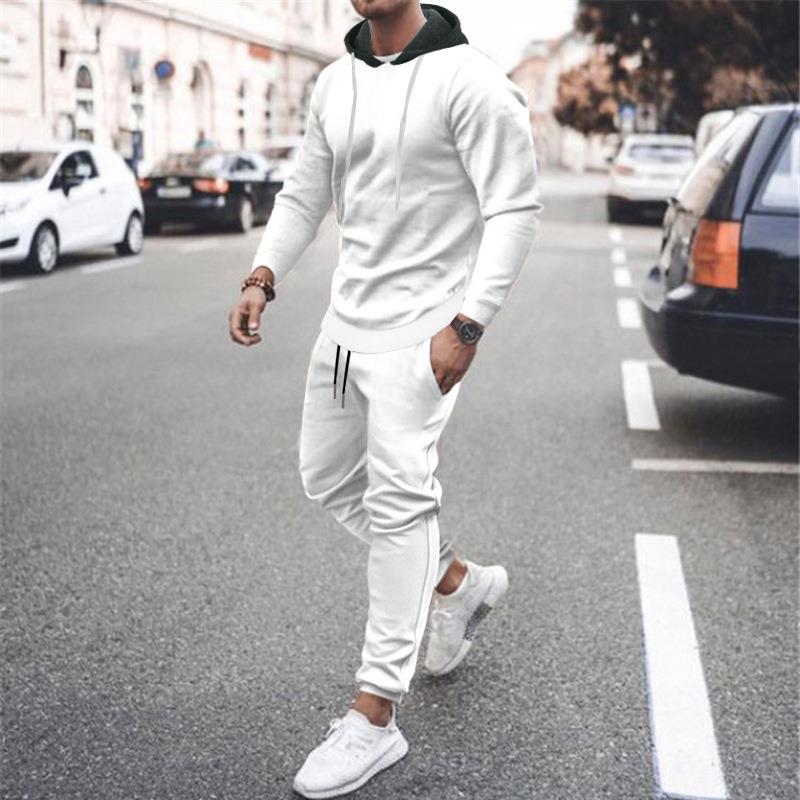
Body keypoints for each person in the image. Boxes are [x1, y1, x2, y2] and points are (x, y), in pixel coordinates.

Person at [228, 2, 541, 796]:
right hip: (344, 328)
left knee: (401, 505)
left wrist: (468, 324)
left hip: (423, 334)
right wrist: (263, 275)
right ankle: (457, 582)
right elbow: (304, 193)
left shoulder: (471, 81)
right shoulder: (334, 83)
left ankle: (374, 716)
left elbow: (513, 207)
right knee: (327, 477)